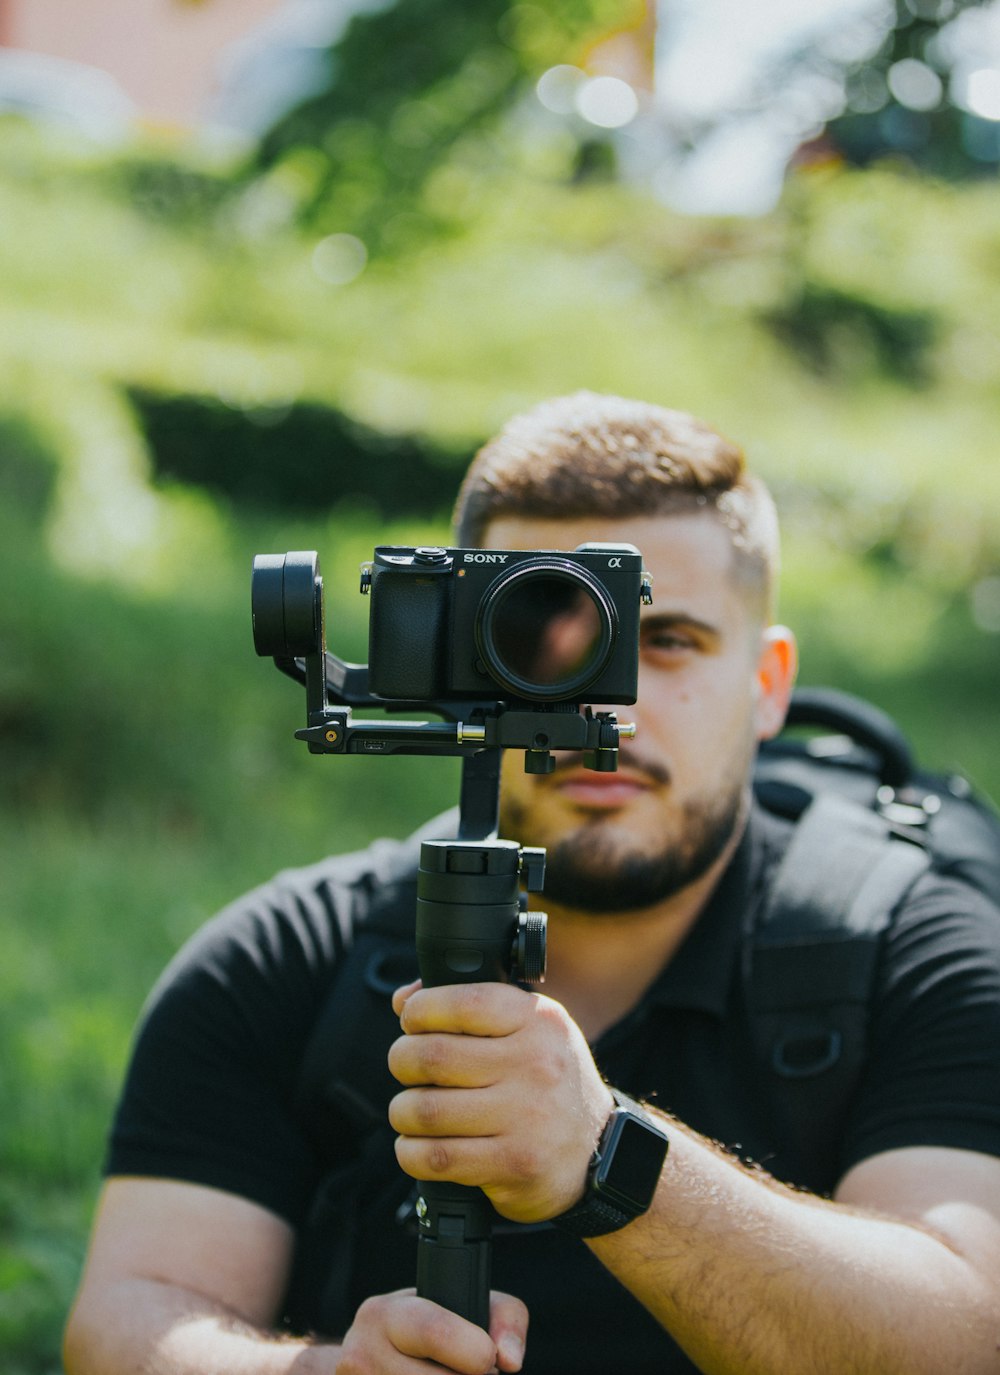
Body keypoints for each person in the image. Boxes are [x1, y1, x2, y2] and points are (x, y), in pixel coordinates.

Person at [64, 393, 1000, 1375]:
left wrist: (609, 1160)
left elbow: (967, 1341)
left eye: (666, 639)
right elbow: (126, 1319)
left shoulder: (918, 953)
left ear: (767, 684)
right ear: (458, 654)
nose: (603, 697)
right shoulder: (290, 956)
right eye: (541, 631)